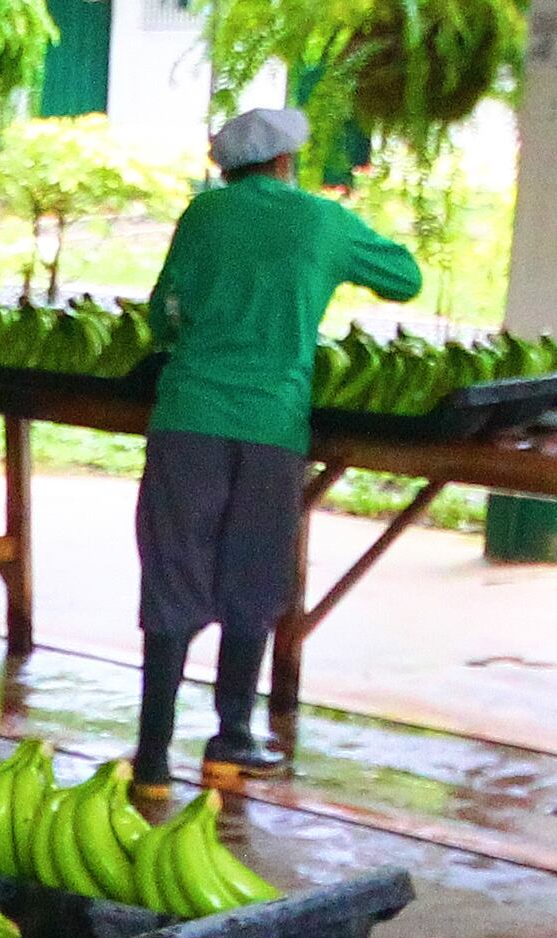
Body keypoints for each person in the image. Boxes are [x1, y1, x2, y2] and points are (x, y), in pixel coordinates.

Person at [131, 104, 418, 790]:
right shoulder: (321, 219)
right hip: (271, 426)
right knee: (253, 579)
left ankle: (151, 758)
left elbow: (162, 313)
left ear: (227, 168)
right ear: (286, 162)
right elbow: (405, 279)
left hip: (188, 417)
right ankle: (232, 737)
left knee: (173, 577)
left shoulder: (203, 215)